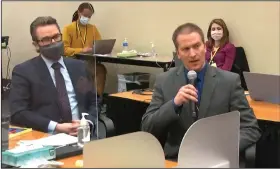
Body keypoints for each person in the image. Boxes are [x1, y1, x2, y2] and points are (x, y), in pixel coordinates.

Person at [141, 23, 261, 160]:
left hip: (217, 158)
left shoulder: (229, 81)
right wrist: (174, 104)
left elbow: (251, 129)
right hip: (177, 159)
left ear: (205, 46)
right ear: (178, 53)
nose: (193, 54)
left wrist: (221, 148)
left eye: (197, 46)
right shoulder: (164, 81)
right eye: (186, 49)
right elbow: (147, 128)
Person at [9, 16, 97, 137]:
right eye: (46, 39)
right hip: (47, 137)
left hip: (82, 134)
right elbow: (18, 112)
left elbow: (94, 101)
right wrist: (56, 127)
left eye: (56, 37)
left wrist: (88, 122)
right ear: (36, 44)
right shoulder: (24, 71)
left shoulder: (79, 67)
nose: (54, 42)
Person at [62, 2, 107, 98]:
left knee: (100, 69)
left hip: (88, 62)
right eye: (85, 15)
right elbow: (64, 49)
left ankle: (97, 100)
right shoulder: (68, 28)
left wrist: (102, 49)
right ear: (79, 13)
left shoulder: (92, 28)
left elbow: (99, 44)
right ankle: (83, 101)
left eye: (89, 16)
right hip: (73, 62)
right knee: (85, 72)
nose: (87, 18)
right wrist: (82, 50)